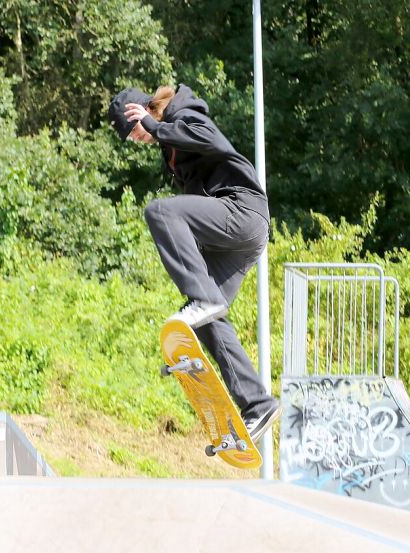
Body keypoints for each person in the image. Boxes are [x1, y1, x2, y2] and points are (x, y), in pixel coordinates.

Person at [107, 84, 280, 439]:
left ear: (144, 111)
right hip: (239, 236)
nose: (139, 140)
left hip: (242, 211)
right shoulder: (170, 148)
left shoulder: (183, 113)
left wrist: (156, 126)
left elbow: (209, 139)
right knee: (205, 322)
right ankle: (257, 403)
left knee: (159, 211)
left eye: (136, 131)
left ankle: (204, 298)